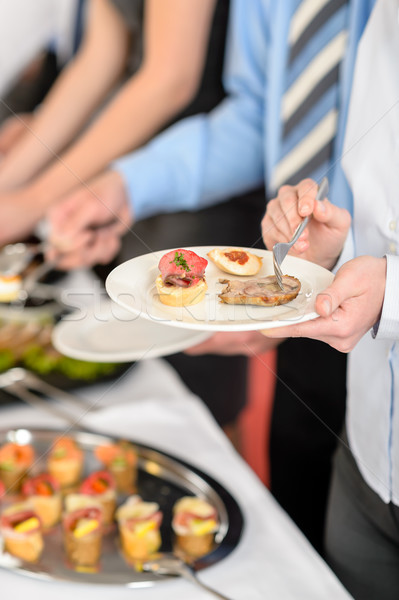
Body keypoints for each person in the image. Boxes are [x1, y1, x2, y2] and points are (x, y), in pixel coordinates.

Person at [46, 0, 377, 556]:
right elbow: (256, 117)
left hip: (378, 306)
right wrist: (126, 186)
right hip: (300, 285)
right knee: (306, 527)